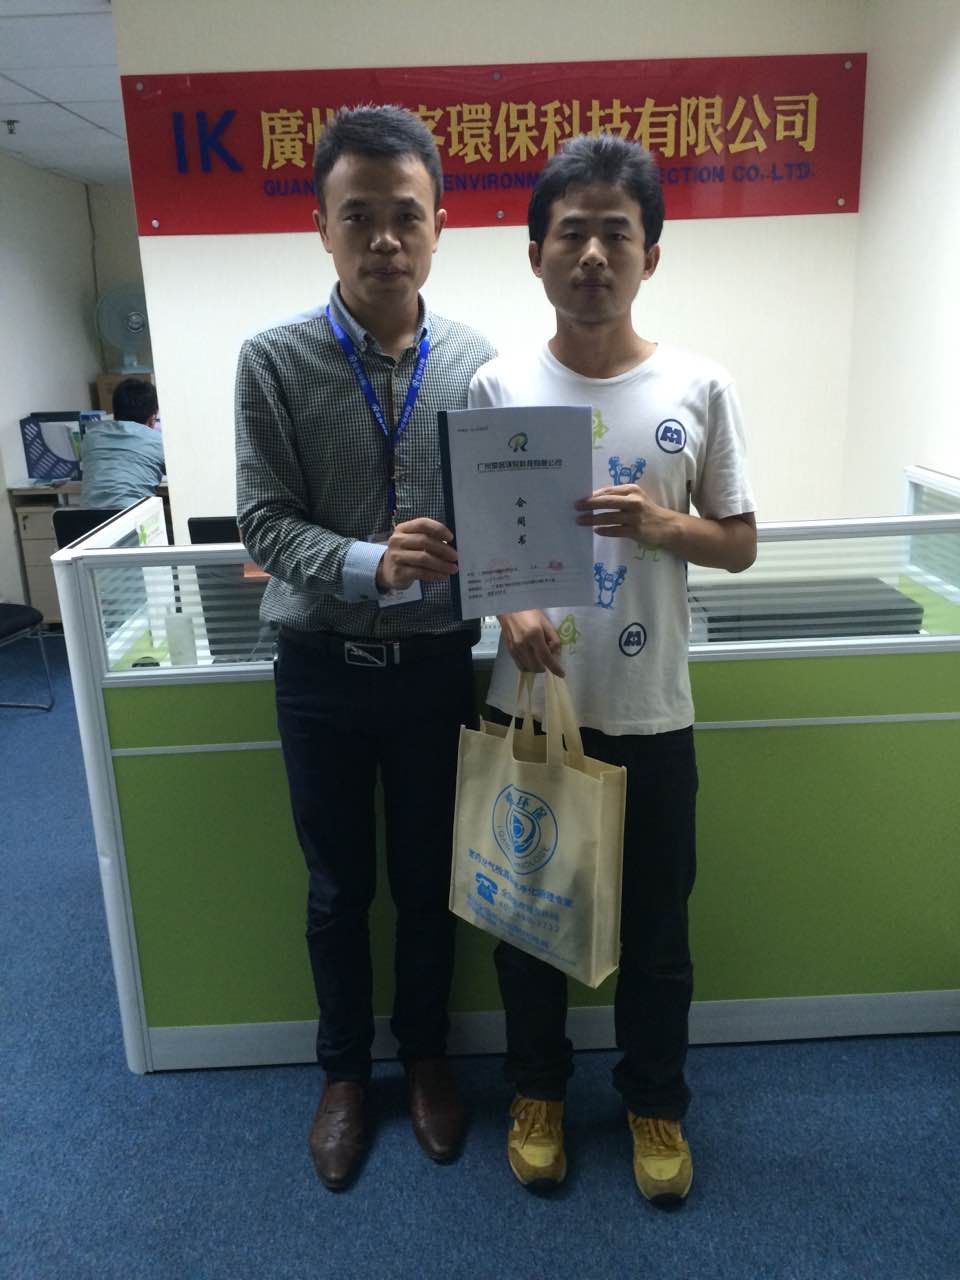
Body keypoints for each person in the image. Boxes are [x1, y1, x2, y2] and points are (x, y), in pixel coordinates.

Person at [469, 134, 757, 1205]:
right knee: (527, 923)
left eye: (616, 234)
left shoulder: (700, 384)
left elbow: (739, 541)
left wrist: (661, 524)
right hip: (532, 707)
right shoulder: (498, 382)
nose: (593, 254)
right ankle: (537, 1092)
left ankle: (655, 1103)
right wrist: (512, 609)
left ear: (651, 254)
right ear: (536, 254)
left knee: (658, 933)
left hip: (651, 708)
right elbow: (480, 545)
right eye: (572, 233)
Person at [234, 106, 495, 1192]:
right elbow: (263, 523)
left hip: (438, 671)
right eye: (359, 217)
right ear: (322, 227)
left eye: (406, 216)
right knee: (338, 889)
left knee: (432, 881)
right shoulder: (273, 361)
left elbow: (507, 514)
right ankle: (344, 1073)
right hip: (322, 674)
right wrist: (367, 563)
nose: (385, 239)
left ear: (439, 226)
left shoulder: (480, 363)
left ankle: (426, 1057)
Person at [80, 378, 164, 509]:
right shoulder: (158, 441)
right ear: (152, 417)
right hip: (132, 516)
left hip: (87, 517)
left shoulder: (91, 438)